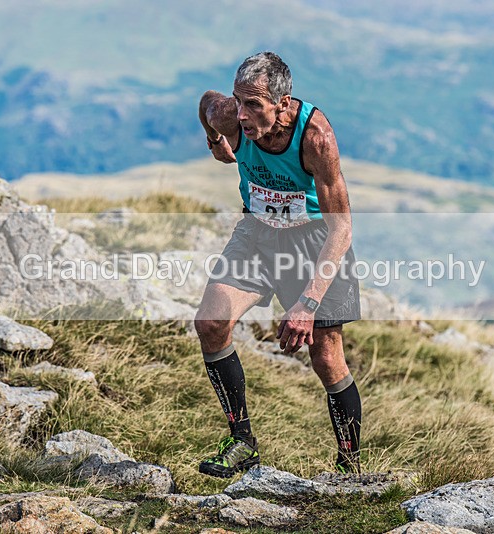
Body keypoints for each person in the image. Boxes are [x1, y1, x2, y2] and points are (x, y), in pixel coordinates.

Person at [194, 51, 362, 477]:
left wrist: (307, 304)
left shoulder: (316, 138)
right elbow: (207, 103)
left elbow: (342, 229)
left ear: (283, 104)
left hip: (314, 241)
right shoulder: (230, 115)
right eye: (238, 101)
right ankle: (242, 441)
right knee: (211, 323)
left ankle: (350, 467)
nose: (242, 115)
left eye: (254, 104)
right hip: (257, 233)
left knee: (325, 356)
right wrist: (216, 143)